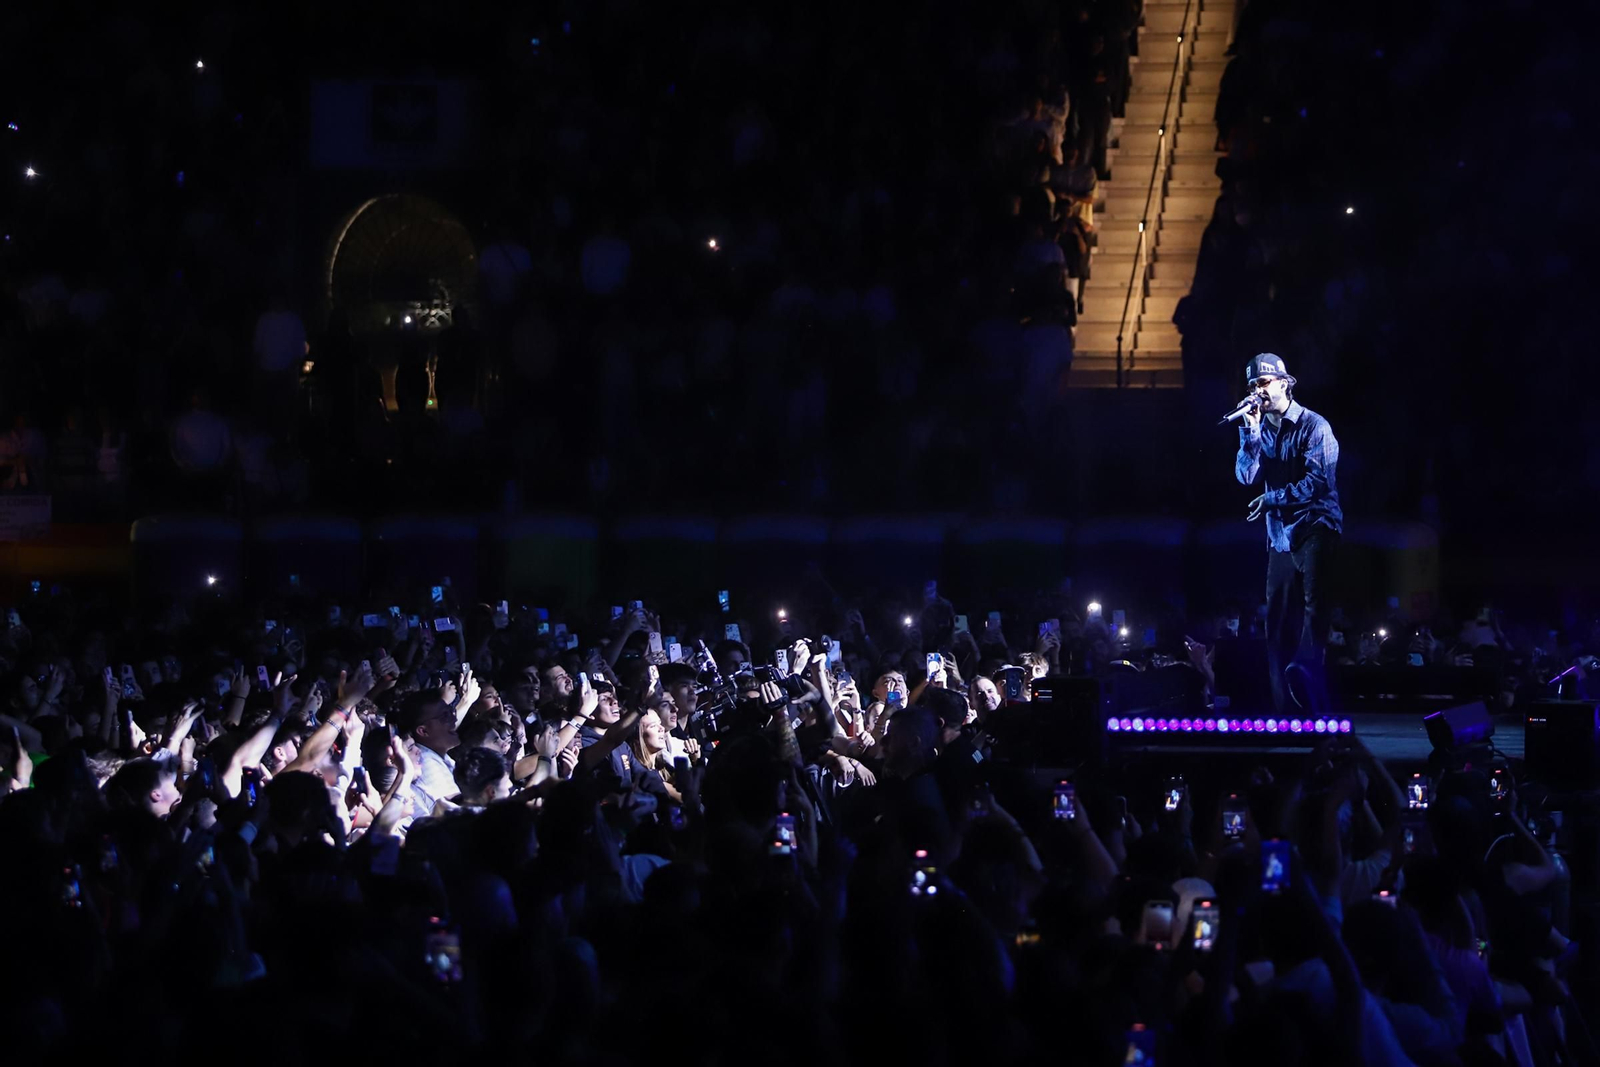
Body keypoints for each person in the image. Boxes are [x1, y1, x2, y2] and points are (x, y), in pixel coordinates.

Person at [1235, 353, 1343, 713]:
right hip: (1281, 534)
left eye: (1263, 383)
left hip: (1316, 524)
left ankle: (1306, 670)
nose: (1257, 392)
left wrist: (1272, 499)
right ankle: (1285, 708)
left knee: (1316, 607)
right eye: (1252, 385)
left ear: (1284, 383)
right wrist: (1248, 431)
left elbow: (1317, 483)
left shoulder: (1315, 426)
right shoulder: (1261, 426)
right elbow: (1246, 475)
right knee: (1276, 622)